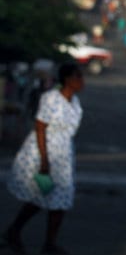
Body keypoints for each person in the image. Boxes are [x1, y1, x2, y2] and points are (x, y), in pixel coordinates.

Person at [3, 62, 85, 255]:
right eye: (78, 77)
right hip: (45, 152)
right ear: (67, 79)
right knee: (42, 197)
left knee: (60, 200)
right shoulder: (51, 98)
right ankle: (15, 231)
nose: (82, 81)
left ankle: (48, 242)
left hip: (63, 155)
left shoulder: (75, 102)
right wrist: (44, 161)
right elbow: (40, 128)